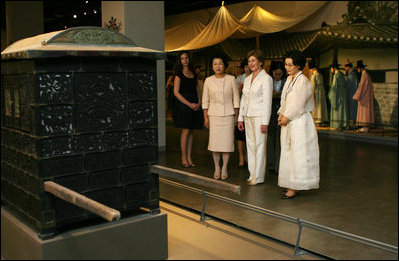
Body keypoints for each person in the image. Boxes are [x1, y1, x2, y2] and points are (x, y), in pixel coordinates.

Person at [277, 50, 320, 199]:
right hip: (289, 121)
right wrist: (282, 114)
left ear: (299, 65)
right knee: (288, 153)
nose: (287, 67)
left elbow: (299, 104)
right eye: (286, 64)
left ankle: (296, 186)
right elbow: (285, 100)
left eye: (290, 65)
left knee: (298, 154)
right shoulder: (289, 79)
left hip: (299, 122)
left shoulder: (304, 82)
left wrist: (287, 116)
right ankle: (290, 183)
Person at [237, 50, 273, 186]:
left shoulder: (266, 78)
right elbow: (243, 100)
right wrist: (240, 118)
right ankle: (252, 174)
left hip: (259, 116)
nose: (251, 63)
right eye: (249, 61)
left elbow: (267, 102)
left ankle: (258, 177)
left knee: (260, 146)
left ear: (260, 61)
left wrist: (265, 122)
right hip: (247, 115)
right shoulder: (247, 79)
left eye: (253, 60)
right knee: (250, 145)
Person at [202, 54, 240, 180]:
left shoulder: (231, 79)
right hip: (213, 115)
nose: (218, 66)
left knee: (226, 143)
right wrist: (206, 117)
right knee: (215, 143)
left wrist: (236, 115)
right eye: (215, 64)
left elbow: (236, 98)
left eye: (220, 63)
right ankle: (217, 167)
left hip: (228, 114)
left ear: (224, 65)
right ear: (212, 67)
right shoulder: (208, 80)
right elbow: (205, 100)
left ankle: (224, 167)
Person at [172, 52, 204, 168]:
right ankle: (183, 157)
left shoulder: (194, 74)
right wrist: (189, 104)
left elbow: (198, 90)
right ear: (179, 61)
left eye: (186, 58)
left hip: (195, 103)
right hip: (184, 105)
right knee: (186, 130)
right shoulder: (178, 75)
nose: (184, 60)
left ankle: (189, 157)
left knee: (192, 131)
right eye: (182, 59)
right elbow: (176, 92)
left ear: (189, 59)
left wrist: (199, 102)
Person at [266, 60, 286, 175]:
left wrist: (275, 94)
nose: (277, 76)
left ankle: (279, 165)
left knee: (281, 141)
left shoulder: (286, 81)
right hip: (270, 113)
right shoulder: (268, 81)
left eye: (279, 74)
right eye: (275, 74)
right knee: (270, 140)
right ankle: (271, 165)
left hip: (282, 113)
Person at [235, 59, 250, 167]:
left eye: (249, 65)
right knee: (240, 135)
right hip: (241, 109)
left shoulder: (257, 77)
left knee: (249, 135)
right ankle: (241, 157)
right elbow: (234, 95)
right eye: (245, 66)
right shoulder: (239, 78)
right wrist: (240, 89)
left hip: (251, 110)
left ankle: (247, 157)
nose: (248, 68)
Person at [353, 60, 375, 133]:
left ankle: (365, 126)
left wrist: (356, 96)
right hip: (366, 95)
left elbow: (361, 87)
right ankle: (364, 126)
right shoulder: (365, 74)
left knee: (364, 112)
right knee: (365, 111)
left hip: (365, 97)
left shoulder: (364, 75)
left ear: (360, 68)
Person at [327, 60, 348, 131]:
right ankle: (342, 124)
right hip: (343, 95)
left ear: (334, 68)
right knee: (342, 110)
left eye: (331, 68)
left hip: (337, 95)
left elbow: (334, 88)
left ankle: (337, 125)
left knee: (337, 110)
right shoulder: (342, 75)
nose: (331, 70)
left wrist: (330, 95)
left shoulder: (336, 76)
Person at [308, 60, 329, 126]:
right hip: (321, 92)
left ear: (311, 69)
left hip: (316, 92)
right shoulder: (319, 74)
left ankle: (317, 120)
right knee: (321, 106)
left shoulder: (314, 75)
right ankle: (321, 119)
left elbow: (312, 86)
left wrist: (311, 95)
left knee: (317, 106)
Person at [344, 60, 359, 129]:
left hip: (352, 93)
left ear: (348, 67)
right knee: (352, 108)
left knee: (352, 108)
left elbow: (348, 84)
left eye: (346, 66)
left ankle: (353, 124)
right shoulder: (351, 74)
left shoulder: (352, 75)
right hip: (351, 93)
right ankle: (352, 123)